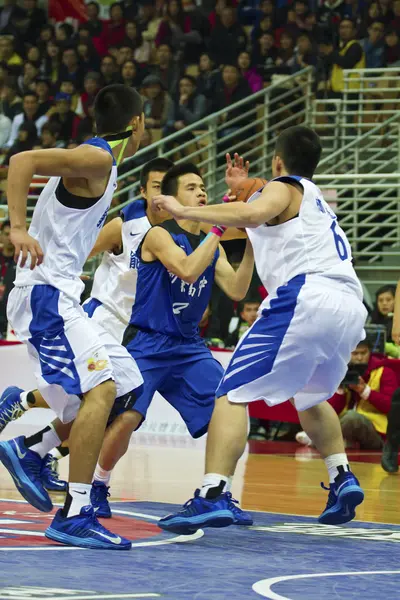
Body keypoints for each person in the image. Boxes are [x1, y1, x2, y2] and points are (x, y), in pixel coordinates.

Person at [153, 125, 368, 533]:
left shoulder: (284, 186)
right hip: (348, 307)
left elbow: (250, 213)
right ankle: (342, 477)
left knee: (230, 392)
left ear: (277, 162)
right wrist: (242, 189)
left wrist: (183, 211)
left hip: (306, 296)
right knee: (309, 393)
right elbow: (250, 218)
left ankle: (212, 493)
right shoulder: (315, 202)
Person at [0, 84, 145, 550]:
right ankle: (76, 514)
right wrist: (18, 228)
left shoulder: (106, 164)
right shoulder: (98, 157)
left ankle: (31, 449)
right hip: (45, 295)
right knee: (100, 389)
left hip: (57, 295)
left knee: (119, 387)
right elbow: (22, 161)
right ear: (138, 122)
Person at [89, 162, 255, 520]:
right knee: (128, 417)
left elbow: (239, 290)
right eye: (192, 188)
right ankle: (97, 485)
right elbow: (188, 269)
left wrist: (256, 243)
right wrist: (220, 227)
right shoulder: (158, 235)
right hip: (148, 342)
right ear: (174, 199)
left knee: (229, 409)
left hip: (189, 346)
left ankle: (215, 491)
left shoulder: (212, 244)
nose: (201, 193)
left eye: (203, 188)